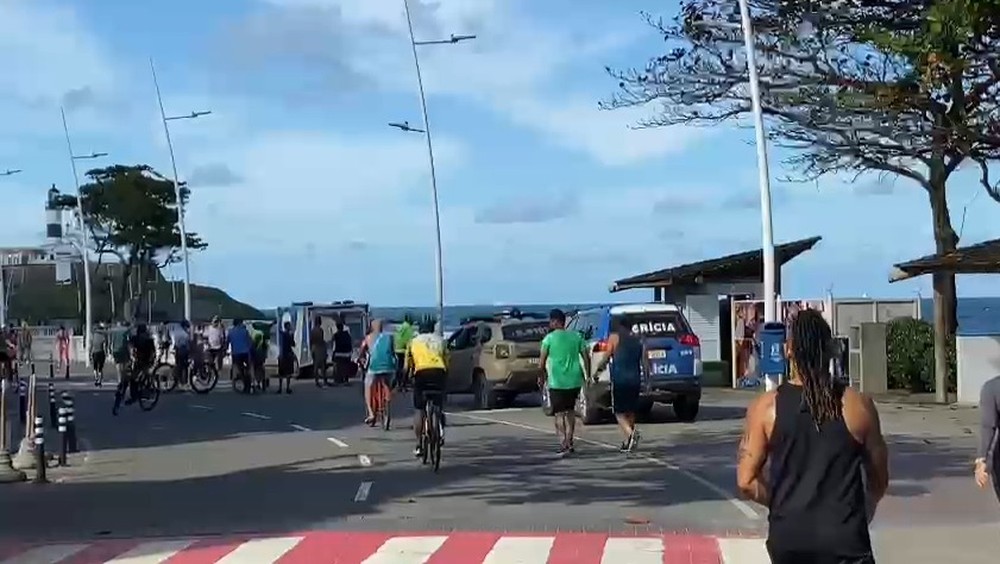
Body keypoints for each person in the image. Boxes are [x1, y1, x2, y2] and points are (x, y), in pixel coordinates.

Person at [737, 309, 888, 564]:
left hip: (790, 540)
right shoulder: (858, 406)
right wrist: (860, 510)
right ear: (830, 350)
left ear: (789, 350)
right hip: (845, 540)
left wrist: (784, 503)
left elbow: (746, 481)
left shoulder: (765, 409)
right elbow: (879, 479)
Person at [539, 308, 590, 457]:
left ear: (555, 321)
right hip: (574, 380)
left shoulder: (548, 339)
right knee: (570, 412)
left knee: (559, 414)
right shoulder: (576, 336)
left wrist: (541, 377)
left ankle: (563, 443)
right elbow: (586, 356)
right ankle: (570, 440)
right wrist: (587, 374)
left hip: (557, 381)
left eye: (551, 320)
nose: (550, 323)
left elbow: (541, 362)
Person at [593, 316, 644, 453]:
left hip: (620, 378)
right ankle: (629, 441)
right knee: (630, 410)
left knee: (618, 411)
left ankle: (631, 434)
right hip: (635, 378)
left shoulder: (614, 338)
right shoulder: (638, 339)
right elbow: (644, 360)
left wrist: (597, 371)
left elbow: (607, 356)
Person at [406, 318, 448, 457]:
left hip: (422, 373)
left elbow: (408, 365)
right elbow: (447, 360)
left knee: (419, 410)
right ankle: (440, 431)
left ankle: (419, 445)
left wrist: (406, 378)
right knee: (439, 404)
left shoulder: (413, 342)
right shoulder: (440, 340)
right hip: (438, 372)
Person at [359, 319, 395, 425]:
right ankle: (387, 401)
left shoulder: (368, 338)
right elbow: (392, 352)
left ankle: (371, 413)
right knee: (387, 383)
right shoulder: (389, 337)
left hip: (374, 367)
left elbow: (362, 351)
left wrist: (360, 358)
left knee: (368, 386)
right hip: (389, 367)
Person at [975, 375, 1000, 504]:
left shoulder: (992, 387)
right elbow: (988, 426)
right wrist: (981, 460)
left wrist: (981, 460)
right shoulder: (993, 388)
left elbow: (988, 426)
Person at [125, 324, 156, 405]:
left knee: (133, 378)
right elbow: (153, 351)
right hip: (147, 361)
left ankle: (134, 396)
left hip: (139, 360)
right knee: (145, 376)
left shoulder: (136, 338)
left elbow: (130, 344)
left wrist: (132, 354)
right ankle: (148, 390)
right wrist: (152, 360)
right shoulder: (149, 339)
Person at [228, 319, 253, 389]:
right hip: (245, 352)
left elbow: (227, 342)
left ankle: (239, 378)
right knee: (248, 367)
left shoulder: (231, 331)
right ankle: (249, 380)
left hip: (236, 353)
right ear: (239, 323)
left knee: (237, 367)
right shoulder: (245, 331)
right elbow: (250, 342)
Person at [393, 315, 416, 388]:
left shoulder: (400, 327)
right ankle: (403, 383)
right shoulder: (408, 328)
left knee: (399, 365)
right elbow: (411, 340)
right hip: (404, 349)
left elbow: (396, 336)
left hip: (397, 348)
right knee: (406, 367)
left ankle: (397, 381)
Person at [277, 321, 296, 394]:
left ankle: (280, 388)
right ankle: (287, 388)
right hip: (288, 355)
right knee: (288, 373)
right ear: (287, 327)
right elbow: (293, 344)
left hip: (282, 355)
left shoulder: (282, 334)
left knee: (281, 373)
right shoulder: (289, 335)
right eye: (289, 326)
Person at [332, 318, 354, 385]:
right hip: (347, 353)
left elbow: (332, 342)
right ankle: (346, 380)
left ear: (337, 328)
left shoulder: (336, 335)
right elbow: (350, 343)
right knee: (346, 366)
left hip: (339, 353)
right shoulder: (347, 334)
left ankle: (338, 379)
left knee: (337, 366)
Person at [110, 321, 131, 386]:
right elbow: (128, 341)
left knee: (118, 365)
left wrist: (111, 349)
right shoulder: (126, 331)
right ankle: (123, 378)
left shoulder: (115, 331)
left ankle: (119, 379)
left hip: (116, 350)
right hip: (123, 349)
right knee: (124, 364)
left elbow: (112, 341)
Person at [171, 321, 192, 387]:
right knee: (184, 367)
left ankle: (178, 381)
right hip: (183, 351)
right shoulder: (184, 334)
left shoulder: (177, 332)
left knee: (179, 365)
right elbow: (187, 344)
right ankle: (183, 382)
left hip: (177, 350)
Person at [309, 317, 328, 386]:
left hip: (314, 347)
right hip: (319, 348)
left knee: (316, 366)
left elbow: (311, 340)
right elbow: (321, 339)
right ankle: (324, 380)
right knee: (322, 366)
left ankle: (316, 381)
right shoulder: (320, 330)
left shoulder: (312, 330)